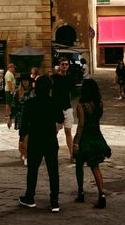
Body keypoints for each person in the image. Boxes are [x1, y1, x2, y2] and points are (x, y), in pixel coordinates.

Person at [18, 76, 64, 212]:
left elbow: (24, 122)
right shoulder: (54, 102)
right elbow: (60, 118)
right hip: (50, 138)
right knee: (53, 171)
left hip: (35, 139)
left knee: (32, 169)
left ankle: (30, 196)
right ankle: (54, 201)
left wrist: (22, 140)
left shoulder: (31, 102)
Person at [73, 79, 111, 208]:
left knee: (79, 164)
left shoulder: (82, 106)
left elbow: (81, 125)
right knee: (95, 166)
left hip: (85, 138)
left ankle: (81, 192)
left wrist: (76, 142)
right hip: (96, 135)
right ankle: (101, 194)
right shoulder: (99, 104)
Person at [51, 58, 74, 160]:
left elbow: (70, 93)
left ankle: (72, 154)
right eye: (63, 64)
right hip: (56, 109)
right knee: (54, 132)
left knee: (68, 131)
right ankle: (52, 153)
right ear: (59, 66)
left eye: (66, 64)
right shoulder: (53, 78)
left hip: (67, 108)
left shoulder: (70, 78)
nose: (65, 66)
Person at [4, 63, 16, 129]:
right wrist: (12, 91)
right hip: (9, 90)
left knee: (10, 102)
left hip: (9, 90)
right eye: (13, 67)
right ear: (10, 67)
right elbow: (9, 83)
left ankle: (10, 114)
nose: (14, 69)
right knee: (8, 103)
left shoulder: (9, 73)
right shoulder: (8, 73)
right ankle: (8, 114)